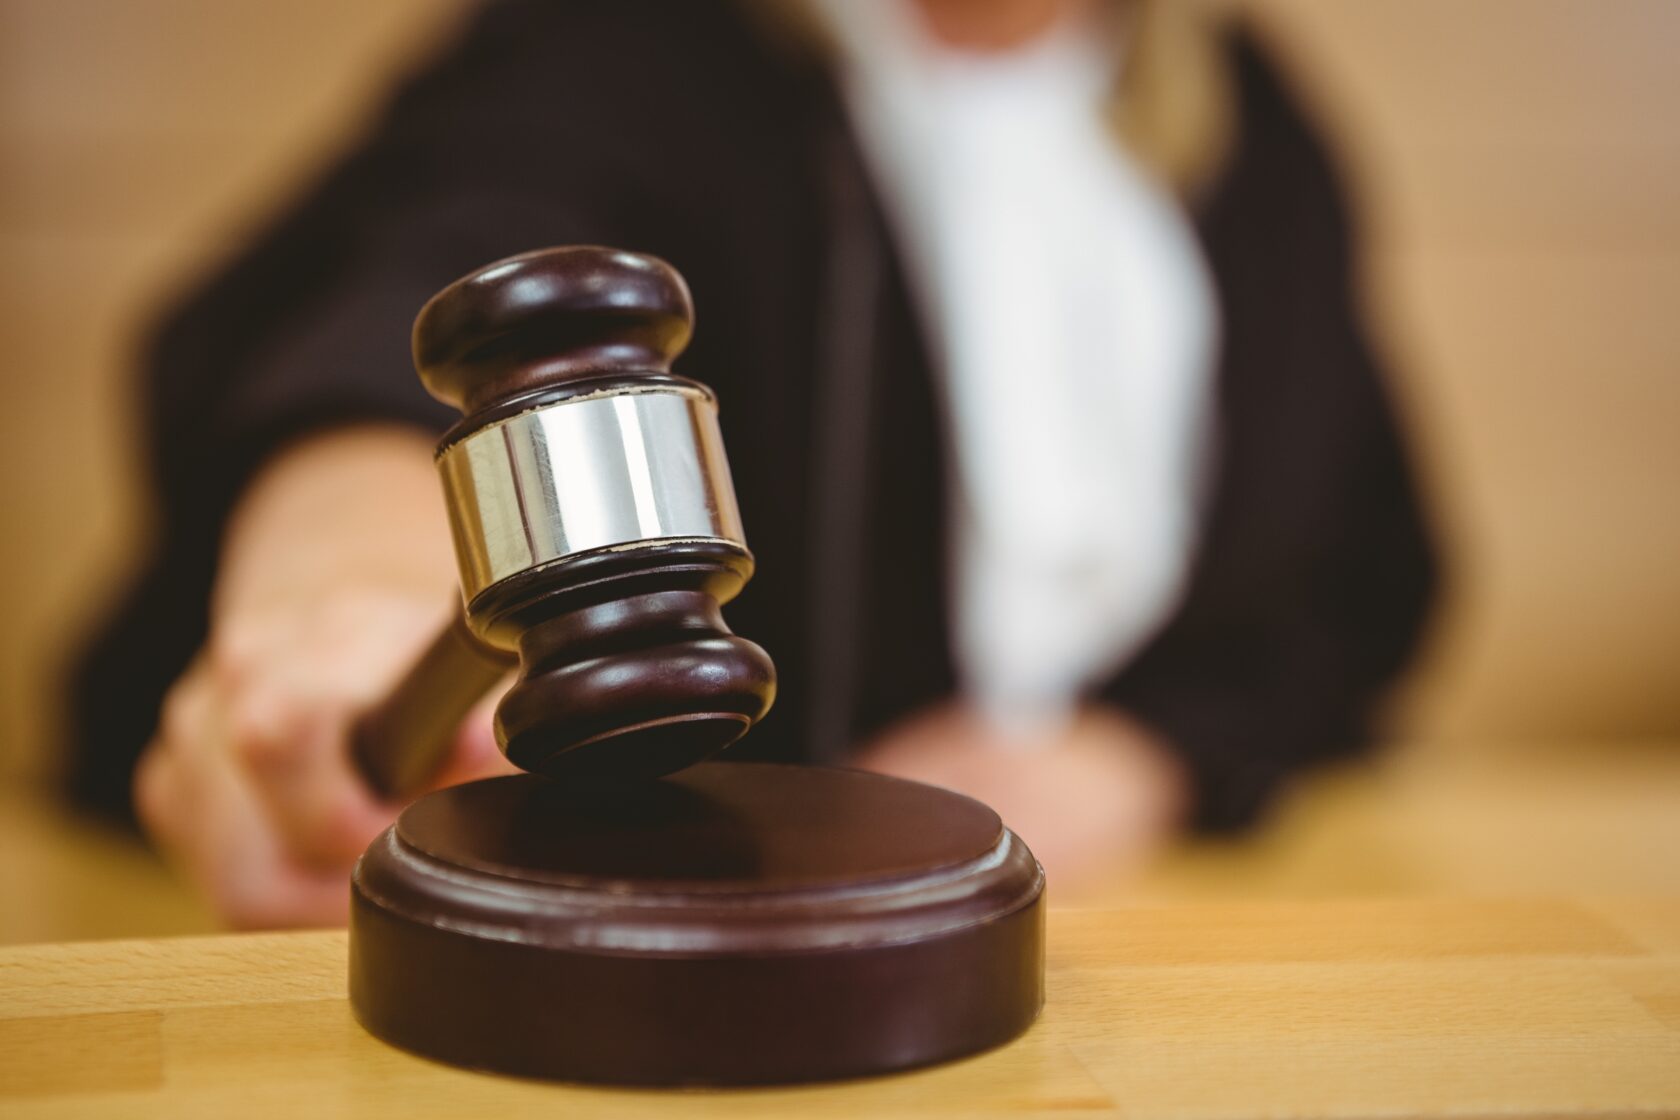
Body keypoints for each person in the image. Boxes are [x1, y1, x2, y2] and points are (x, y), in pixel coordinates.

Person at [69, 0, 1438, 927]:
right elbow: (421, 276)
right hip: (697, 970)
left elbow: (1352, 580)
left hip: (1135, 950)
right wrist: (346, 585)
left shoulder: (1256, 130)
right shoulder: (631, 48)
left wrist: (1144, 755)